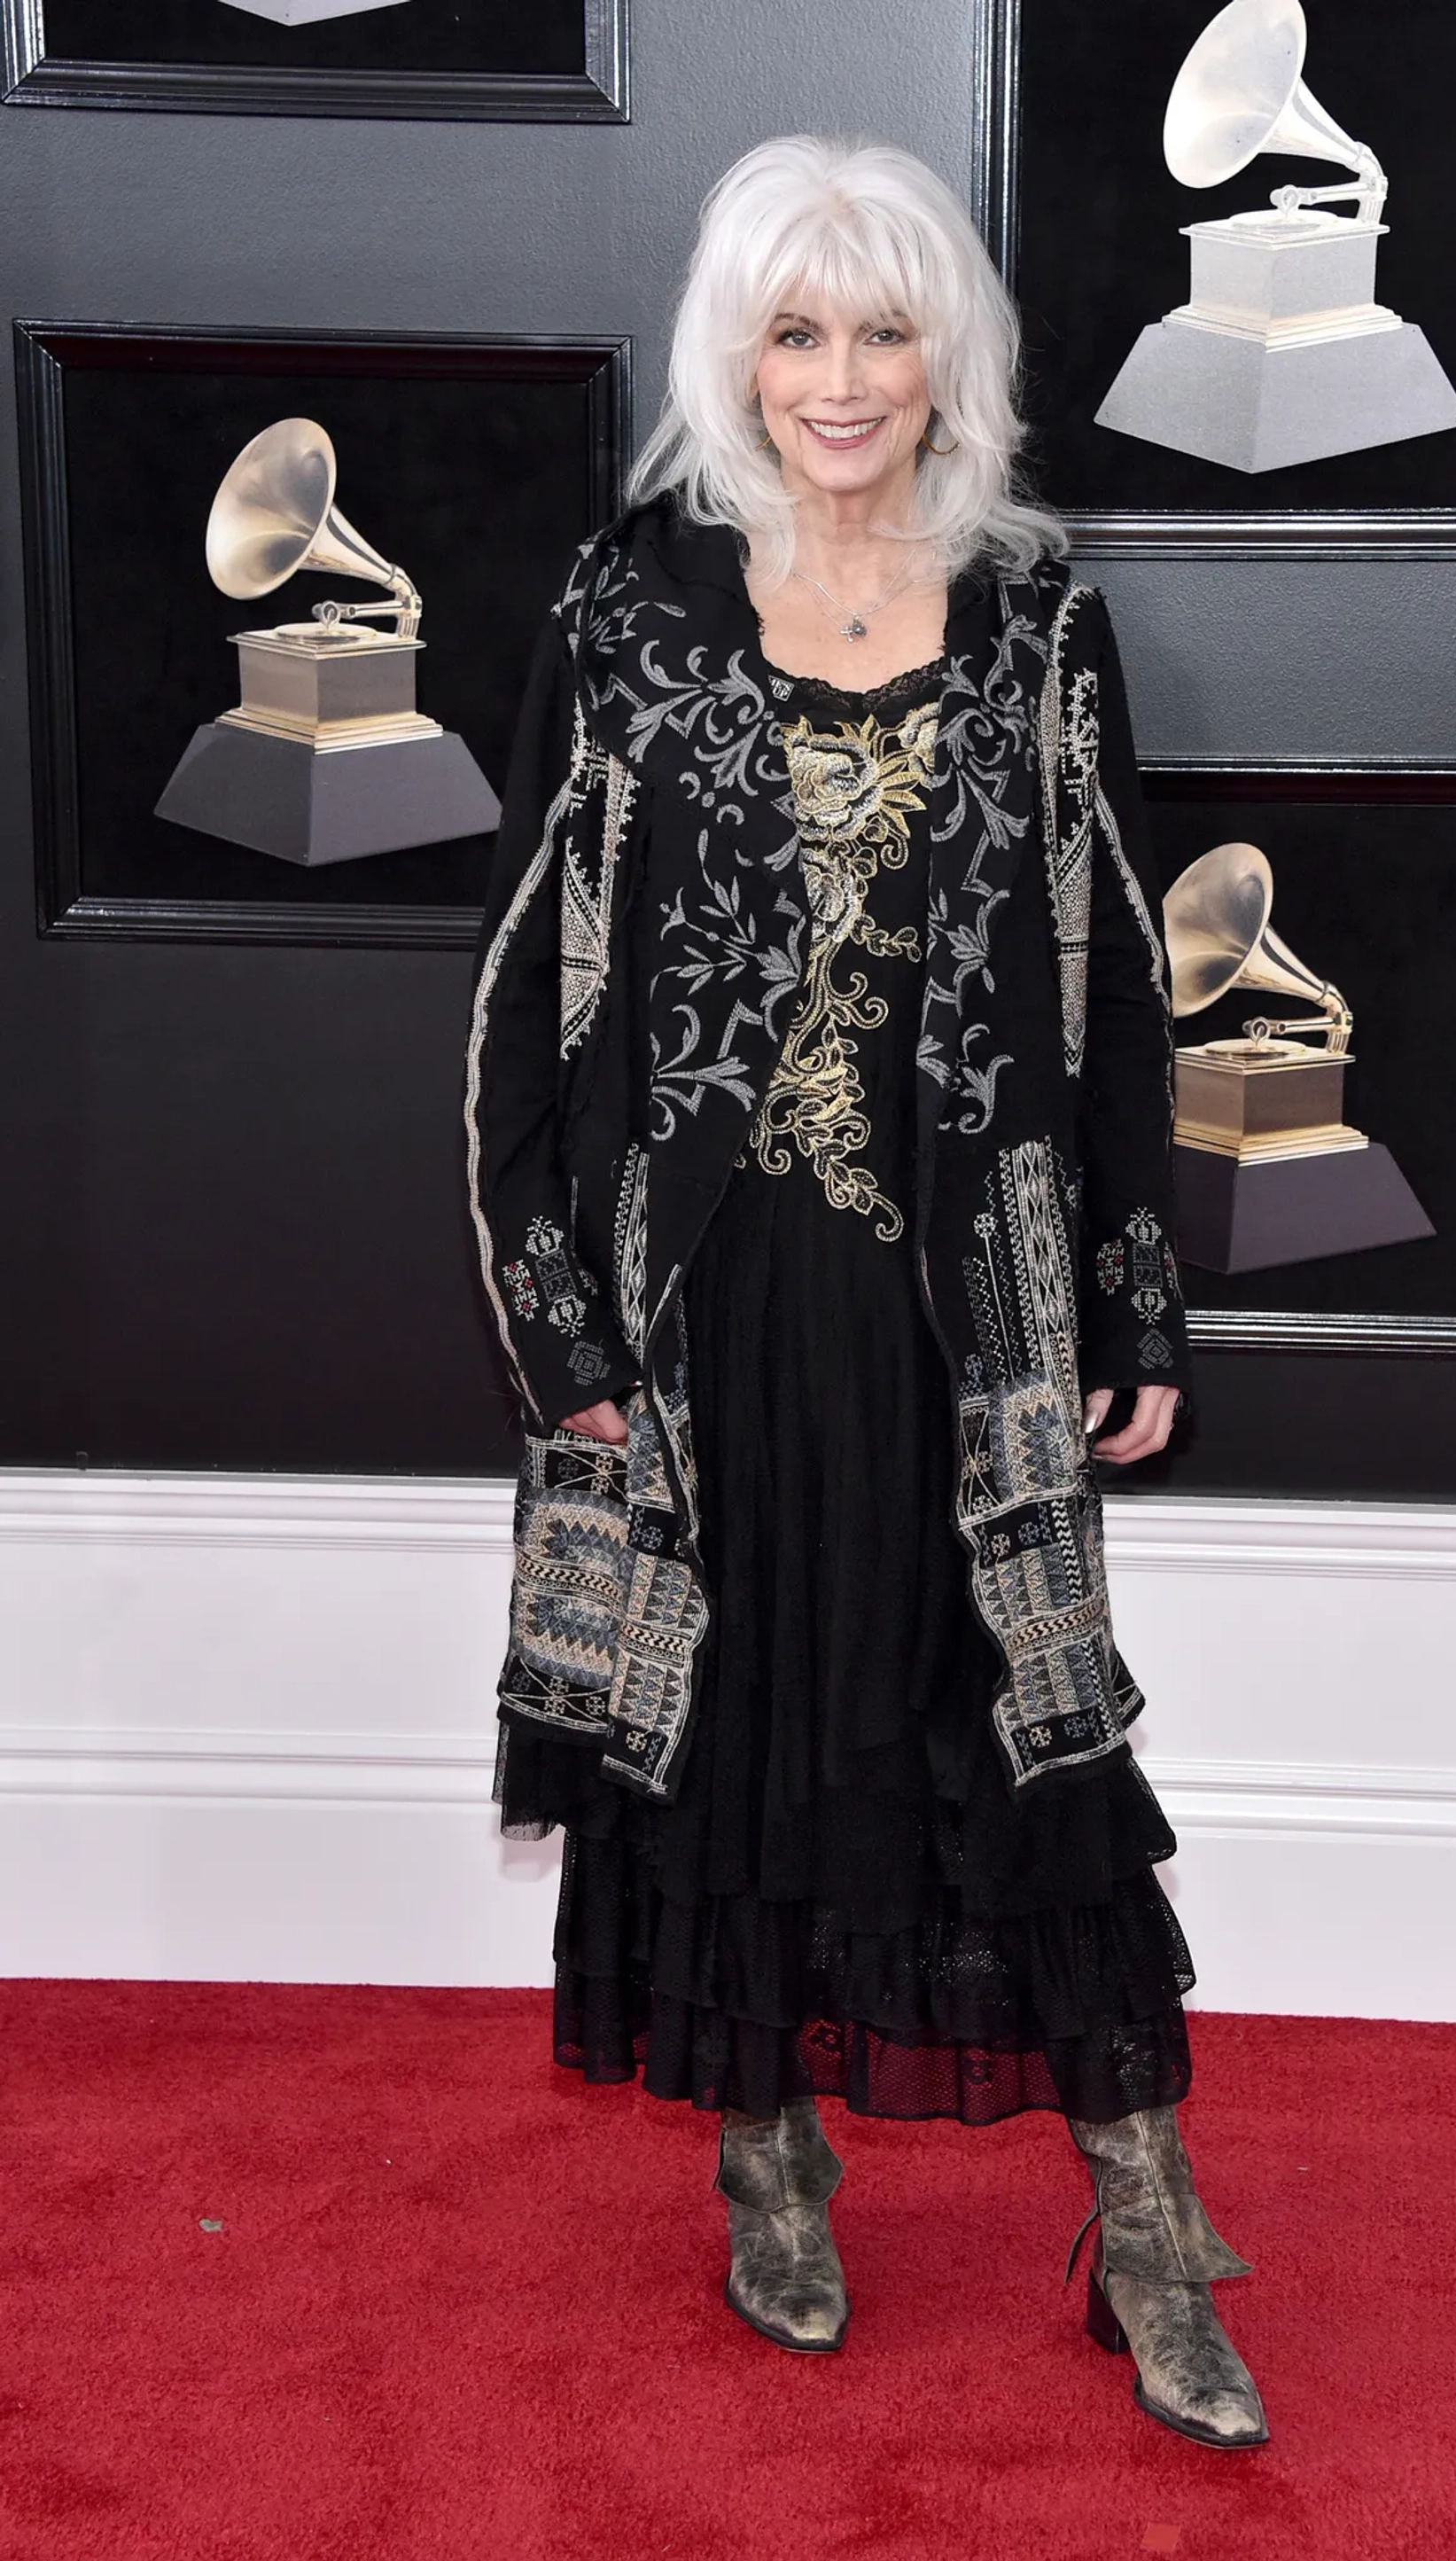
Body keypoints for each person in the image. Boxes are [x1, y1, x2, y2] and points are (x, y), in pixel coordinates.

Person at [465, 133, 1266, 2451]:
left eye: (883, 327)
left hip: (972, 1300)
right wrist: (561, 1331)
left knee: (1020, 1740)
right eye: (796, 331)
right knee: (726, 1726)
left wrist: (1134, 1298)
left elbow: (1113, 977)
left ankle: (1142, 2237)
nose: (840, 380)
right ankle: (768, 2155)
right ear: (737, 348)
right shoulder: (626, 604)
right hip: (704, 1298)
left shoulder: (1033, 609)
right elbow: (525, 993)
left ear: (950, 352)